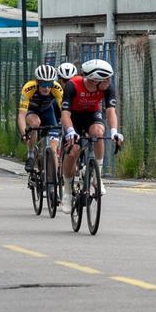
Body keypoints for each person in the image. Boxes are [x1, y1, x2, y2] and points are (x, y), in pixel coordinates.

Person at [60, 59, 124, 213]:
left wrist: (114, 131)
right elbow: (65, 114)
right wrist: (71, 132)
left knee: (98, 133)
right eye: (106, 79)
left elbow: (110, 112)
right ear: (95, 80)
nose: (109, 82)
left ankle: (97, 176)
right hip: (73, 117)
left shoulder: (107, 87)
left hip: (92, 115)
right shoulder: (72, 85)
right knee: (73, 151)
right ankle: (67, 191)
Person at [18, 64, 63, 173]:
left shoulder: (57, 88)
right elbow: (21, 115)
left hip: (47, 111)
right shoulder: (28, 88)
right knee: (35, 123)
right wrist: (24, 134)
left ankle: (54, 176)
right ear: (37, 82)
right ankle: (31, 152)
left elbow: (65, 111)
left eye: (49, 84)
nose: (47, 88)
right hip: (31, 110)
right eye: (43, 84)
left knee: (53, 145)